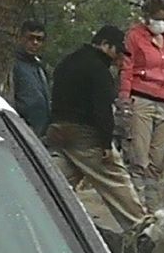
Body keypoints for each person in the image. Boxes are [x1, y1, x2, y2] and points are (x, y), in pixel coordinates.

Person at [47, 25, 147, 232]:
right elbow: (102, 110)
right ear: (105, 45)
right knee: (115, 180)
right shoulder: (99, 70)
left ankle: (37, 214)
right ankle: (141, 228)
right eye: (118, 51)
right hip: (86, 134)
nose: (119, 57)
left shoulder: (67, 62)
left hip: (58, 129)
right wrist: (106, 144)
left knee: (56, 180)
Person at [118, 0, 164, 198]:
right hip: (141, 99)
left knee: (157, 160)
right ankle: (137, 203)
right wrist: (124, 99)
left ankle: (151, 201)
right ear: (147, 17)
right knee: (139, 157)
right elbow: (126, 69)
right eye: (157, 18)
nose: (161, 23)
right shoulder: (134, 36)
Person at [11, 19, 51, 136]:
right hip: (18, 127)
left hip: (39, 130)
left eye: (39, 39)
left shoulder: (40, 67)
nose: (35, 42)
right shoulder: (12, 64)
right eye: (30, 38)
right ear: (20, 38)